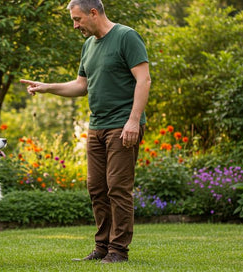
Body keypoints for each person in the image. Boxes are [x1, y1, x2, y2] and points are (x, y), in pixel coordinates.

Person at [20, 0, 151, 264]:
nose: (75, 25)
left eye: (78, 19)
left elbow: (144, 79)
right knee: (96, 188)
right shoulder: (88, 46)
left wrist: (133, 121)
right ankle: (102, 247)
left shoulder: (126, 37)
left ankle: (118, 251)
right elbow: (81, 86)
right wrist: (46, 87)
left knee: (118, 188)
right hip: (97, 126)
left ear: (94, 12)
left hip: (122, 125)